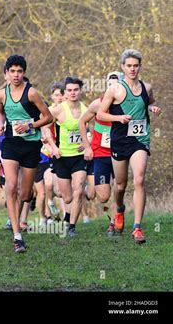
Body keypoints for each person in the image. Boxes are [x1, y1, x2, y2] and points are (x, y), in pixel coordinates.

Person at [0, 55, 53, 252]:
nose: (16, 75)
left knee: (24, 194)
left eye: (19, 71)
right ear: (6, 73)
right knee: (11, 186)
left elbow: (48, 117)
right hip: (10, 143)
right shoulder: (0, 94)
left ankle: (27, 201)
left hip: (31, 145)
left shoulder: (32, 93)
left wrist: (30, 125)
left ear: (23, 73)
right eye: (12, 71)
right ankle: (17, 236)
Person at [97, 49, 161, 244]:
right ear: (123, 67)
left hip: (140, 139)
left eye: (136, 65)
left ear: (140, 66)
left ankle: (137, 228)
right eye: (129, 66)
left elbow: (149, 103)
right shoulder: (115, 89)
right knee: (120, 185)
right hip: (119, 140)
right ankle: (120, 209)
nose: (133, 69)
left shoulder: (146, 87)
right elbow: (100, 114)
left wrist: (152, 108)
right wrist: (118, 118)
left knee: (139, 180)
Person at [78, 72, 121, 235]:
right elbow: (82, 121)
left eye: (116, 84)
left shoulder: (126, 105)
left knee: (119, 188)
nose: (113, 88)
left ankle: (115, 220)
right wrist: (87, 146)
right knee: (103, 196)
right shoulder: (98, 104)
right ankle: (113, 216)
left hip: (120, 152)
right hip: (100, 154)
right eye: (110, 84)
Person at [46, 77, 88, 237]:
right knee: (67, 197)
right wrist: (53, 146)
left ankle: (71, 227)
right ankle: (64, 213)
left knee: (78, 191)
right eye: (69, 90)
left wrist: (87, 142)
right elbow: (44, 124)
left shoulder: (87, 109)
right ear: (65, 92)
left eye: (76, 90)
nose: (73, 93)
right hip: (62, 157)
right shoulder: (58, 110)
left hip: (79, 157)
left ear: (80, 91)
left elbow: (95, 129)